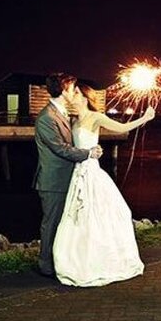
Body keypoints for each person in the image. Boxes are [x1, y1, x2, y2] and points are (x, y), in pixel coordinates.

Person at [52, 82, 155, 287]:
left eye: (76, 92)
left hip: (91, 172)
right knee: (78, 218)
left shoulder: (95, 117)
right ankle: (77, 261)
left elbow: (121, 128)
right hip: (78, 173)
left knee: (99, 215)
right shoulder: (72, 120)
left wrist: (145, 118)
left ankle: (100, 261)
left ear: (84, 96)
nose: (73, 95)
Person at [33, 73, 104, 278]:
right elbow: (60, 148)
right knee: (52, 223)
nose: (75, 92)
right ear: (63, 91)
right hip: (53, 181)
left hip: (69, 178)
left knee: (66, 224)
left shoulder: (63, 113)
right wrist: (88, 153)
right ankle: (45, 265)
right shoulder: (46, 117)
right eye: (73, 89)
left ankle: (62, 261)